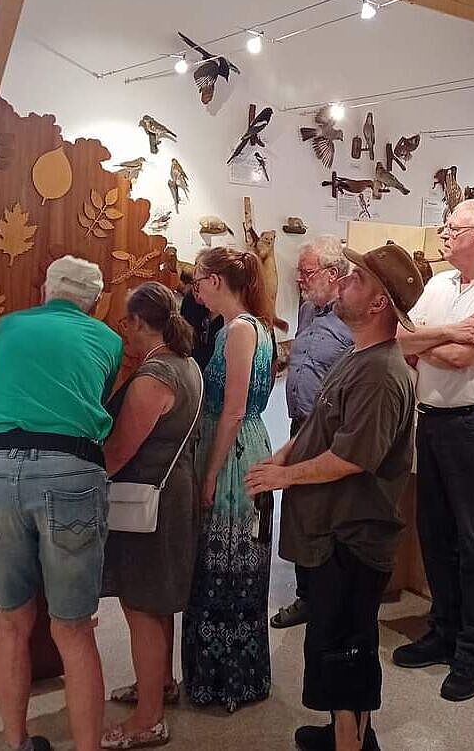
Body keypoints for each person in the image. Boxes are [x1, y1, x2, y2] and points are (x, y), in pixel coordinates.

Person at [246, 243, 423, 751]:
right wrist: (284, 455)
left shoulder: (381, 372)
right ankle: (347, 734)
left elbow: (352, 457)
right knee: (333, 637)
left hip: (352, 533)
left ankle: (350, 740)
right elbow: (322, 426)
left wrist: (286, 477)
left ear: (378, 304)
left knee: (346, 644)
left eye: (358, 278)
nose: (345, 280)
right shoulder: (358, 355)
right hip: (334, 530)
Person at [0, 256, 123, 751]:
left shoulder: (7, 325)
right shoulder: (107, 340)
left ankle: (16, 743)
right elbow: (91, 392)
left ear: (45, 290)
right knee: (73, 628)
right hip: (68, 469)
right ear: (94, 303)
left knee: (11, 620)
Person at [392, 199, 474, 702]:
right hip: (434, 419)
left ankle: (473, 651)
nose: (444, 234)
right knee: (434, 531)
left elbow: (461, 355)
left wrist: (424, 341)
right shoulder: (438, 283)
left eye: (454, 228)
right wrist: (437, 337)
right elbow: (400, 339)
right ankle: (443, 630)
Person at [100, 282, 203, 749]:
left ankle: (148, 719)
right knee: (155, 603)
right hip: (171, 492)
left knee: (142, 606)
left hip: (148, 500)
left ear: (139, 322)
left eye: (126, 323)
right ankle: (157, 685)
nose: (124, 332)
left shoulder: (154, 375)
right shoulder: (187, 365)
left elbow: (119, 451)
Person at [181, 246, 274, 712]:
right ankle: (235, 676)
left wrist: (210, 472)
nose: (195, 289)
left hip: (234, 452)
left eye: (198, 280)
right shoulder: (256, 327)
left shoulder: (238, 330)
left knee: (226, 567)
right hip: (248, 442)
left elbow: (234, 409)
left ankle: (226, 681)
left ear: (217, 280)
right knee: (235, 566)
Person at [272, 234, 353, 630]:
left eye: (305, 273)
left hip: (333, 433)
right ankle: (306, 595)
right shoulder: (308, 310)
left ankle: (327, 598)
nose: (300, 281)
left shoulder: (355, 318)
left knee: (325, 515)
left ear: (332, 274)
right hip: (300, 425)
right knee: (300, 513)